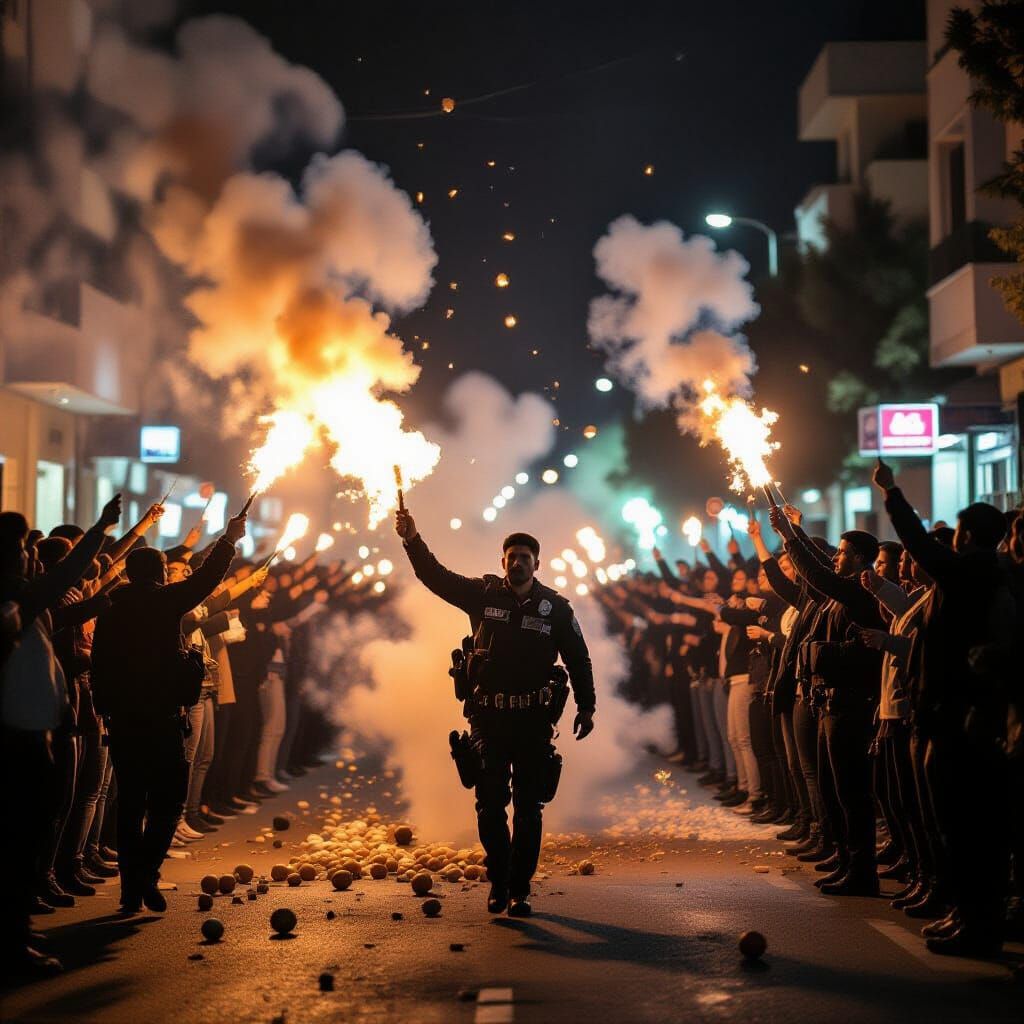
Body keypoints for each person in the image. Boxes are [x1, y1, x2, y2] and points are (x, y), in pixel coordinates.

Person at [396, 505, 595, 917]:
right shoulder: (482, 596)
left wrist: (586, 706)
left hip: (534, 722)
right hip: (488, 718)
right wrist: (412, 539)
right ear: (501, 562)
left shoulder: (555, 609)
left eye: (526, 557)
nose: (518, 562)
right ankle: (498, 882)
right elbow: (434, 576)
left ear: (537, 564)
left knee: (528, 808)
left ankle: (520, 888)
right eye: (512, 556)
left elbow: (579, 659)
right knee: (489, 805)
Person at [90, 509, 248, 914]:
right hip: (160, 719)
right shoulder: (164, 602)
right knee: (167, 803)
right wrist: (229, 540)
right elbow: (207, 579)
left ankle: (132, 885)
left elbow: (101, 662)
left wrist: (105, 708)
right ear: (160, 575)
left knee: (131, 805)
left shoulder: (111, 606)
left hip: (123, 720)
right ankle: (144, 875)